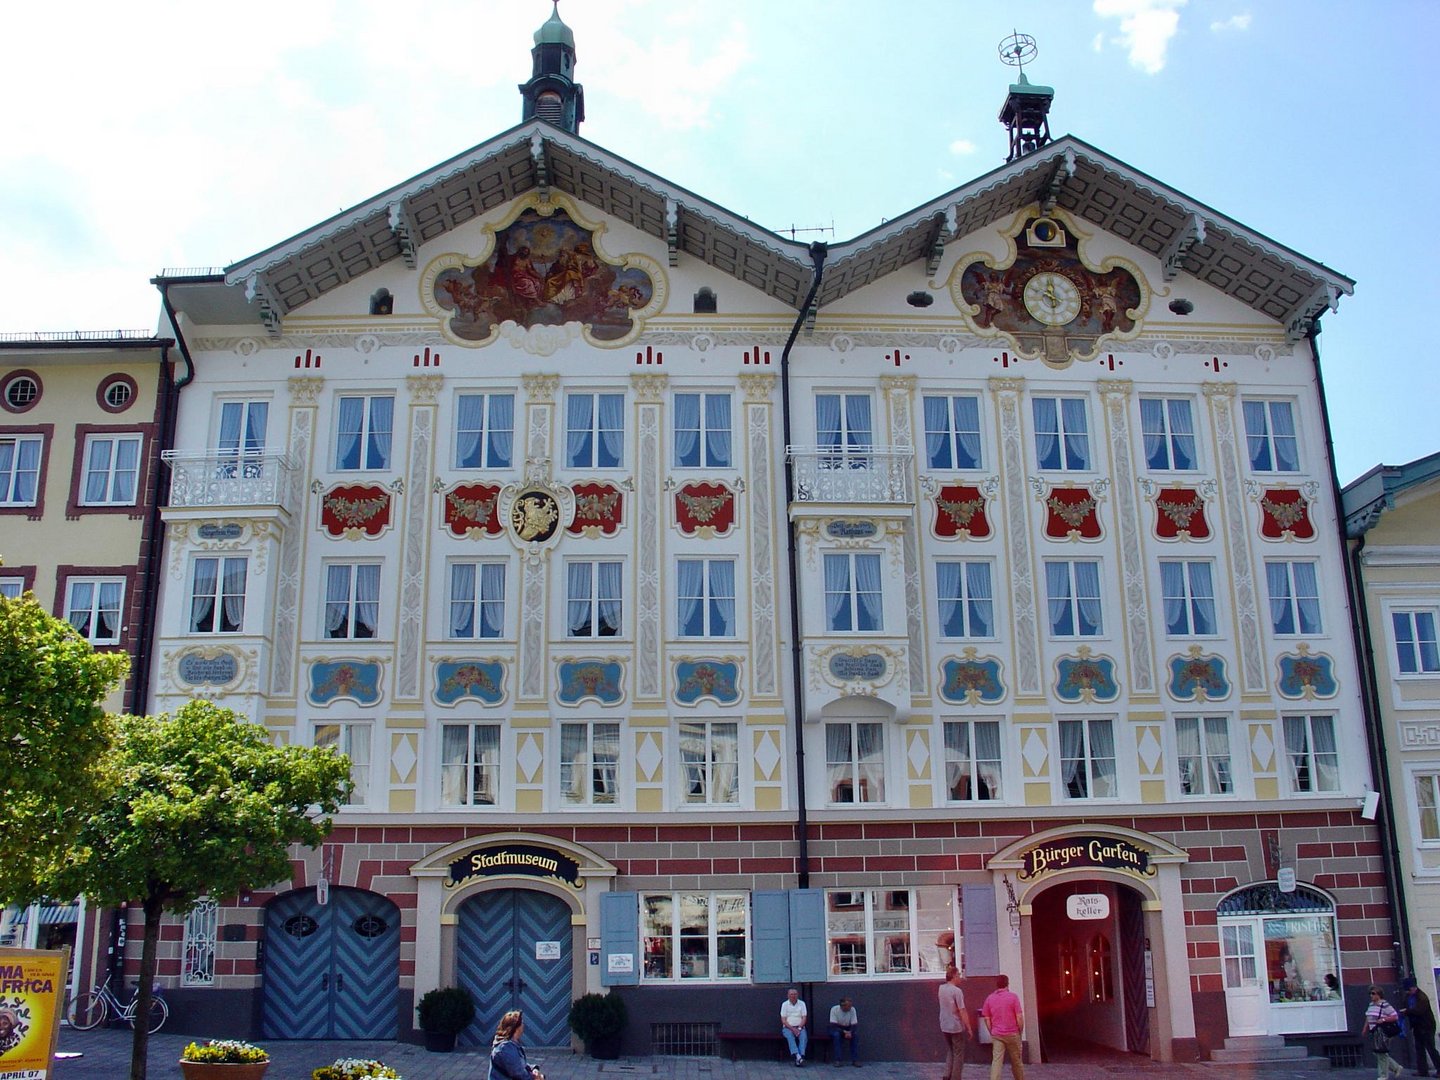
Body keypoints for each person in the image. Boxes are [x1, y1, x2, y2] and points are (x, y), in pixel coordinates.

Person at [979, 974, 1025, 1080]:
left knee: (996, 1061)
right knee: (1017, 1061)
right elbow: (1019, 1017)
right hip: (1013, 1033)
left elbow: (986, 1018)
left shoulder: (990, 998)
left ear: (997, 985)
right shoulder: (1013, 997)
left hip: (997, 1034)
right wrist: (1020, 1030)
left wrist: (992, 1031)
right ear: (1007, 984)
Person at [1362, 985, 1405, 1080]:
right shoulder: (1371, 1005)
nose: (1371, 995)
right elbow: (1368, 1017)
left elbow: (1395, 1016)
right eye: (1370, 993)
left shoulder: (1385, 1005)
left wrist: (1384, 1019)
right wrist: (1365, 1028)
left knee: (1381, 1052)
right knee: (1378, 1053)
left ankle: (1383, 1075)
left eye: (1373, 993)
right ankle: (1396, 1067)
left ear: (1379, 994)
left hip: (1382, 1031)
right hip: (1374, 1031)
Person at [939, 964, 974, 1080]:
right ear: (954, 976)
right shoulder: (957, 991)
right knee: (959, 1053)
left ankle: (946, 1074)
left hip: (944, 1023)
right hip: (955, 1025)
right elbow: (962, 1010)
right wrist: (969, 1027)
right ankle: (955, 1077)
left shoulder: (941, 989)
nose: (960, 977)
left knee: (951, 1049)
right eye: (958, 975)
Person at [1401, 976, 1440, 1076]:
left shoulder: (1422, 997)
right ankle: (1423, 1070)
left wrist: (1407, 1011)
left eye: (1409, 989)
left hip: (1427, 1026)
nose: (1408, 992)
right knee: (1419, 1048)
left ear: (1413, 987)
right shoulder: (1409, 997)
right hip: (1417, 1026)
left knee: (1431, 1048)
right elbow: (1406, 1006)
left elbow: (1419, 1010)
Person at [490, 1009, 544, 1080]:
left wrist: (533, 1069)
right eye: (522, 1023)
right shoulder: (505, 1048)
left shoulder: (512, 1044)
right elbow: (517, 1073)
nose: (523, 1026)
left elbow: (518, 1064)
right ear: (516, 1028)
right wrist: (534, 1077)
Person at [781, 987, 809, 1066]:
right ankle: (798, 1056)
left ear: (798, 995)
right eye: (791, 994)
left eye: (795, 994)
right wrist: (793, 1029)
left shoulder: (802, 1003)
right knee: (790, 1037)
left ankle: (799, 1057)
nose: (793, 996)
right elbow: (783, 1020)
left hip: (800, 1026)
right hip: (788, 1027)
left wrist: (799, 1028)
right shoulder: (784, 1004)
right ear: (788, 995)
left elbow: (804, 1018)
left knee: (803, 1037)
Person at [829, 996, 859, 1066]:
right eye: (848, 1006)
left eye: (850, 1006)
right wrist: (843, 1031)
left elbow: (854, 1024)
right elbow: (833, 1025)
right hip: (836, 1028)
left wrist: (850, 1032)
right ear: (842, 1006)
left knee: (855, 1035)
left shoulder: (853, 1009)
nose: (850, 1008)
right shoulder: (834, 1009)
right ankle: (838, 1060)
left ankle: (855, 1060)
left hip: (849, 1028)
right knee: (836, 1035)